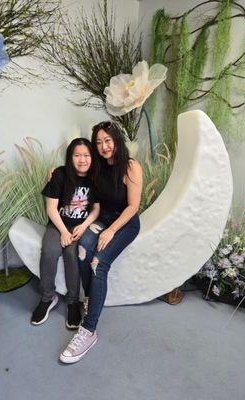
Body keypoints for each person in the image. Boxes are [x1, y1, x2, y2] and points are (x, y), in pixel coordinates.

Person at [59, 121, 143, 363]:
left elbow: (133, 207)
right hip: (103, 218)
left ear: (116, 140)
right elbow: (77, 174)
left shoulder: (130, 167)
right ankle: (90, 299)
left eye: (108, 140)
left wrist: (110, 232)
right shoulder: (98, 166)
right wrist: (55, 173)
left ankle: (88, 330)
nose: (104, 146)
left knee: (97, 263)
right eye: (99, 142)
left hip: (125, 223)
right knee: (83, 250)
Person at [31, 138, 100, 330]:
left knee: (72, 254)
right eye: (77, 155)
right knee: (49, 251)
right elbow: (51, 208)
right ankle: (47, 298)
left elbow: (96, 209)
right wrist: (62, 231)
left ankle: (72, 302)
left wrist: (84, 225)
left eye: (86, 155)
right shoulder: (60, 174)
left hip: (79, 226)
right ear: (70, 157)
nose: (82, 160)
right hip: (58, 224)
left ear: (92, 158)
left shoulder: (95, 178)